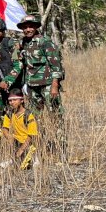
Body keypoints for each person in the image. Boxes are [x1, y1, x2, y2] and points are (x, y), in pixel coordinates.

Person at [10, 15, 65, 159]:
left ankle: (61, 152)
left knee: (56, 117)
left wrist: (54, 85)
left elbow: (56, 65)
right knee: (35, 119)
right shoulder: (24, 43)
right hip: (32, 87)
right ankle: (39, 149)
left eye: (31, 26)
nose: (28, 29)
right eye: (25, 27)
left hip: (47, 85)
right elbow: (19, 61)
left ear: (36, 27)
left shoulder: (45, 42)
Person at [0, 88, 39, 170]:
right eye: (10, 100)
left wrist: (21, 149)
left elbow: (32, 135)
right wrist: (8, 136)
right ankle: (12, 159)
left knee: (21, 167)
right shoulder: (9, 113)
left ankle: (33, 159)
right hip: (16, 141)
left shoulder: (28, 115)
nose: (12, 102)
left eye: (15, 100)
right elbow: (4, 128)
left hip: (28, 144)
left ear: (22, 100)